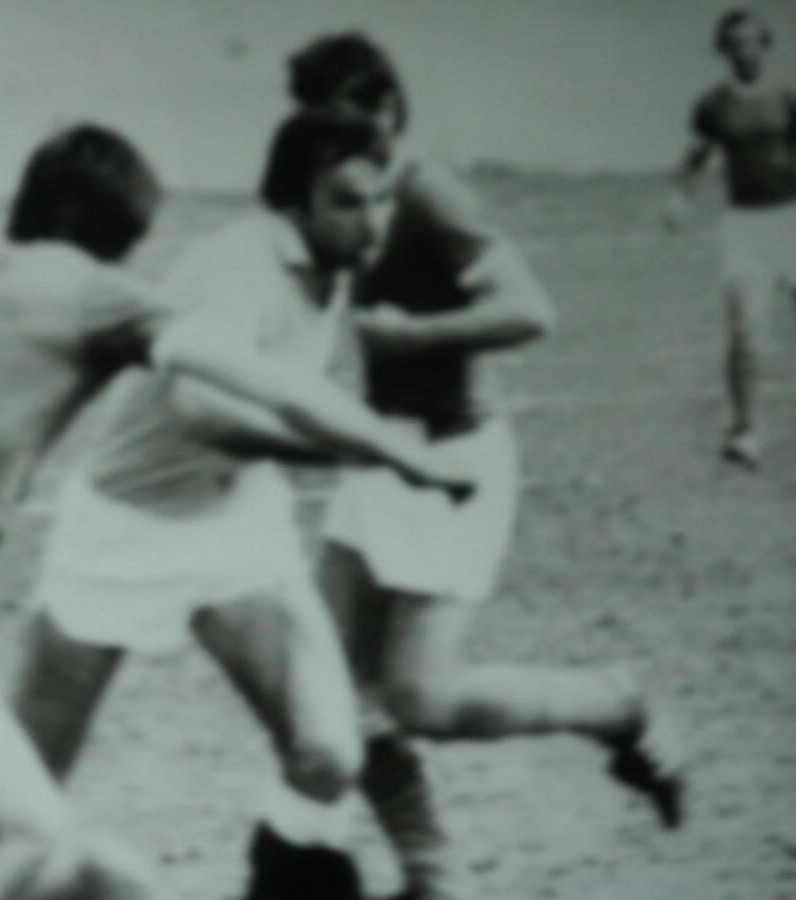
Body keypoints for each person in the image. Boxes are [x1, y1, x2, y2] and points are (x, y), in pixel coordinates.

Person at [0, 121, 469, 900]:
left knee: (41, 844)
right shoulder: (98, 294)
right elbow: (263, 381)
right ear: (118, 233)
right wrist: (398, 450)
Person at [18, 108, 469, 900]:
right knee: (21, 791)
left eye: (381, 199)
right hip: (125, 532)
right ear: (293, 207)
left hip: (239, 525)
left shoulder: (334, 266)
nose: (373, 222)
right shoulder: (241, 269)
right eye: (348, 202)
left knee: (328, 754)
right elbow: (203, 411)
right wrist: (353, 448)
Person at [281, 33, 690, 899]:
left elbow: (531, 309)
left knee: (421, 699)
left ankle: (616, 702)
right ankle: (433, 874)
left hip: (453, 460)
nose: (327, 141)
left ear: (387, 110)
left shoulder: (430, 193)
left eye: (343, 119)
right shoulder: (347, 195)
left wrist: (416, 337)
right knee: (326, 682)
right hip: (382, 453)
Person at [664, 7, 796, 468]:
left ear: (766, 44)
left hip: (792, 217)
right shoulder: (713, 104)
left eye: (752, 42)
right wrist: (680, 198)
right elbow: (696, 157)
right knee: (745, 332)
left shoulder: (787, 94)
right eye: (735, 44)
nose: (745, 51)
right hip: (744, 227)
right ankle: (746, 430)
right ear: (723, 50)